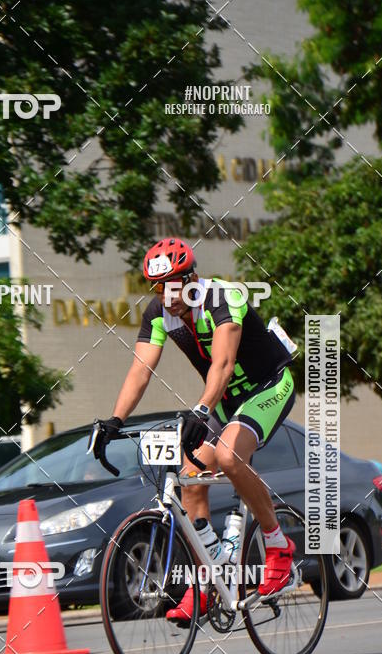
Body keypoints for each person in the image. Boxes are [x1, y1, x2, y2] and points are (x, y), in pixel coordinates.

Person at [93, 237, 296, 622]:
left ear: (191, 278)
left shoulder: (223, 298)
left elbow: (222, 364)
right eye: (158, 287)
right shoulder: (158, 313)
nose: (166, 295)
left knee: (228, 456)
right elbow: (141, 369)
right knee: (190, 478)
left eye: (173, 284)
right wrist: (114, 420)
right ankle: (207, 581)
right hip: (222, 403)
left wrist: (200, 410)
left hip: (267, 386)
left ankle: (278, 546)